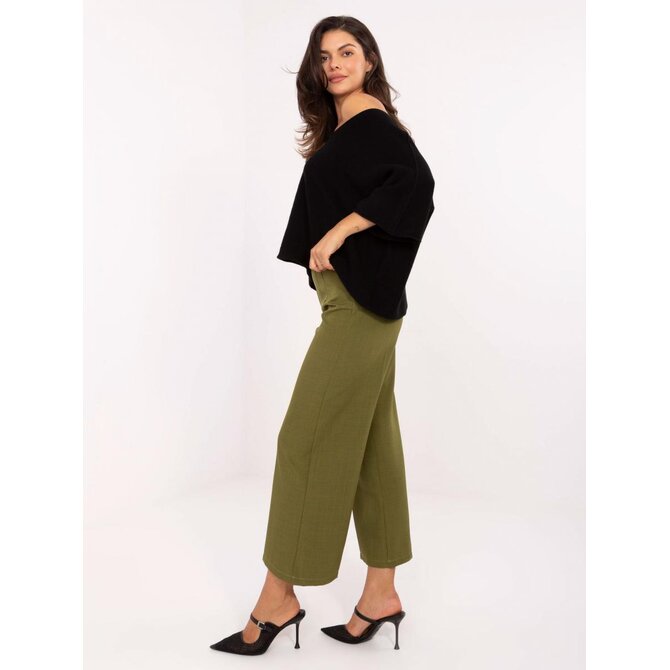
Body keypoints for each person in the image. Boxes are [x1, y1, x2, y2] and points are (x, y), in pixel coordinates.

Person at [210, 15, 435, 656]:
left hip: (358, 309)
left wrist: (341, 230)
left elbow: (417, 185)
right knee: (373, 447)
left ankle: (278, 599)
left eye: (347, 51)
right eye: (324, 55)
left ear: (369, 61)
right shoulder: (346, 130)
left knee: (303, 441)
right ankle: (381, 593)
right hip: (359, 304)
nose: (334, 63)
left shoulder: (370, 123)